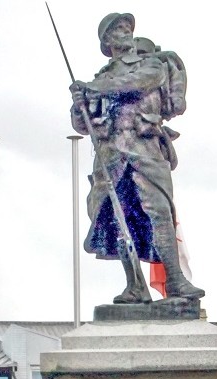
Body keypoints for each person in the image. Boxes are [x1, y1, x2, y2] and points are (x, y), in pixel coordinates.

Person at [69, 12, 203, 304]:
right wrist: (78, 106)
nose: (126, 32)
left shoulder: (150, 65)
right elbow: (83, 125)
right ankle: (135, 286)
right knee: (118, 219)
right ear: (107, 41)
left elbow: (138, 84)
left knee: (159, 212)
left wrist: (90, 89)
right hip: (111, 156)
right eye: (119, 29)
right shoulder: (100, 79)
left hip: (145, 150)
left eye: (128, 28)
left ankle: (177, 281)